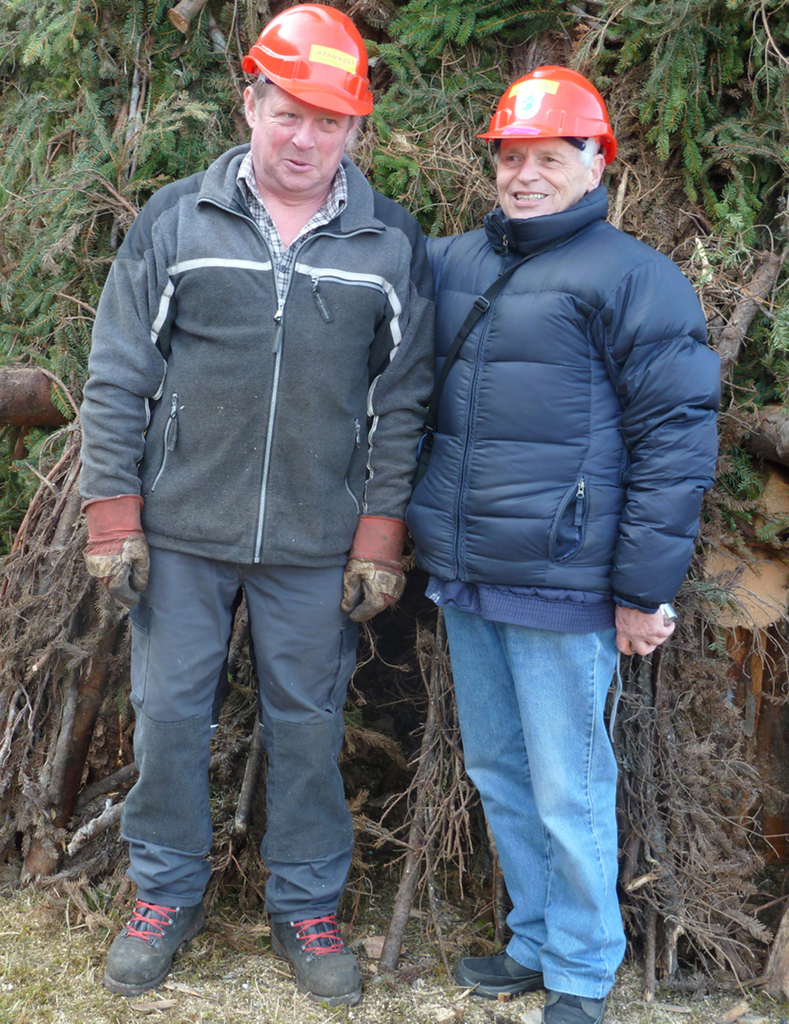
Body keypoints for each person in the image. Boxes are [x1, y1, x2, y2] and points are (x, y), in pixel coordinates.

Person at [79, 4, 433, 1008]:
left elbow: (402, 399)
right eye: (287, 114)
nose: (304, 139)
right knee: (168, 717)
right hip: (181, 532)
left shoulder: (388, 242)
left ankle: (307, 905)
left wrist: (379, 533)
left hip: (317, 543)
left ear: (355, 128)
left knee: (309, 727)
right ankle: (164, 894)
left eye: (328, 121)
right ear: (250, 105)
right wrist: (113, 517)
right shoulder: (176, 220)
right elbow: (118, 371)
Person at [406, 66, 719, 1024]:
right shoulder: (453, 262)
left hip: (563, 580)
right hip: (467, 573)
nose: (526, 175)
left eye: (550, 157)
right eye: (512, 157)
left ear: (595, 164)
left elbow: (675, 442)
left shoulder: (635, 278)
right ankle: (534, 939)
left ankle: (582, 970)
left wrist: (640, 589)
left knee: (568, 784)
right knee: (499, 773)